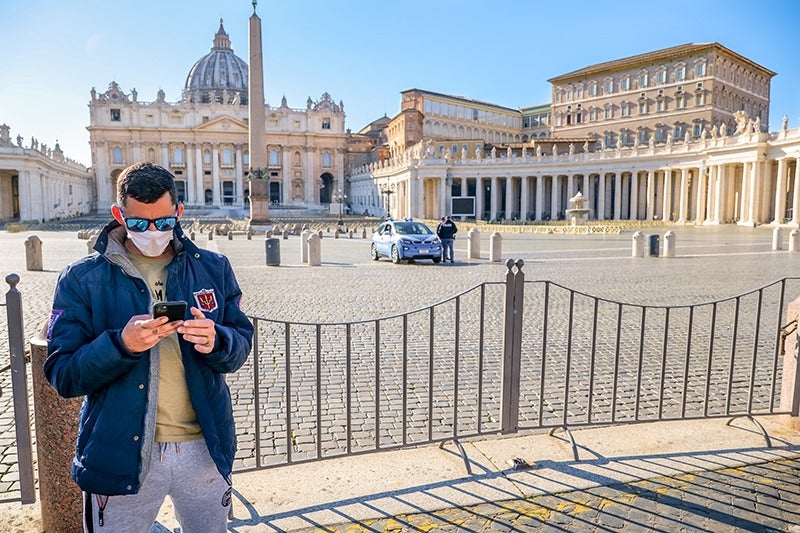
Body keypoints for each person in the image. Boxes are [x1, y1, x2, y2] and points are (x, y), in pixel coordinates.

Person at [44, 162, 254, 532]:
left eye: (163, 222)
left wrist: (217, 340)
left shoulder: (214, 268)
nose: (153, 232)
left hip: (204, 448)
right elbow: (63, 374)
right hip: (120, 450)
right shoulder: (81, 279)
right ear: (118, 215)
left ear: (179, 212)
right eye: (139, 224)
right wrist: (120, 344)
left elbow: (240, 344)